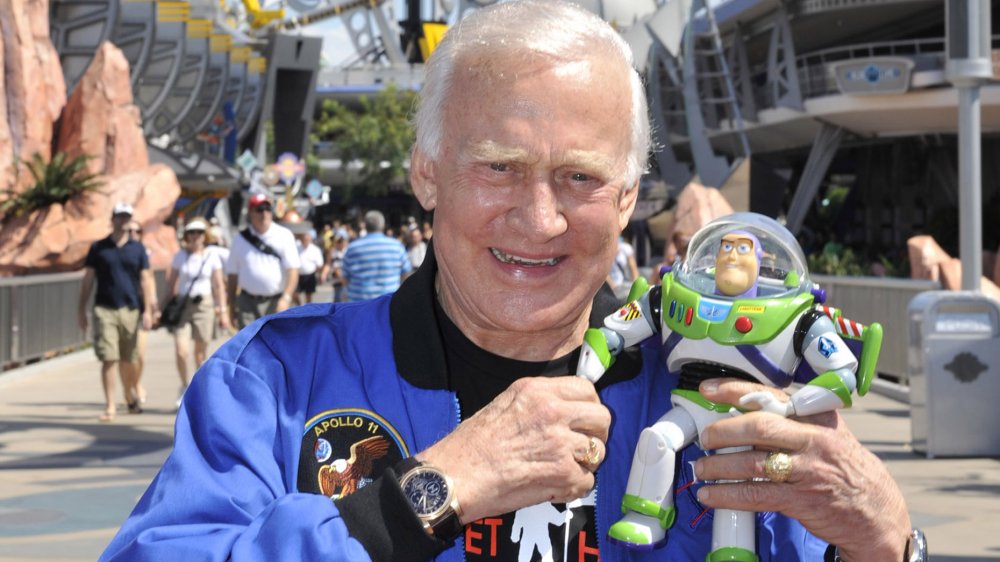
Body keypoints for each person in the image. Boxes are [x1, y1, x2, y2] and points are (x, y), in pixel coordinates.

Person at [101, 2, 918, 561]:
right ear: (427, 174)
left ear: (630, 197)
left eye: (580, 179)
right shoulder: (274, 380)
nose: (539, 218)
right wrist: (430, 491)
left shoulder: (726, 392)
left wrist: (885, 542)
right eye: (499, 167)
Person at [78, 202, 156, 422]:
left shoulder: (137, 249)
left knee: (130, 359)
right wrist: (81, 309)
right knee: (109, 358)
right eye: (119, 216)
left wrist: (148, 310)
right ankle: (110, 404)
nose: (123, 221)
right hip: (105, 308)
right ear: (112, 219)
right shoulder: (98, 248)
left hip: (131, 309)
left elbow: (146, 280)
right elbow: (88, 280)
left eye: (126, 217)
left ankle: (128, 393)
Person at [164, 217, 231, 408]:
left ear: (205, 235)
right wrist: (159, 308)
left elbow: (218, 285)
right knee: (181, 350)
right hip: (184, 306)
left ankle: (199, 391)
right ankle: (184, 385)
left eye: (199, 232)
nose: (195, 236)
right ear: (186, 236)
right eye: (191, 232)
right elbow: (171, 285)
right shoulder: (180, 256)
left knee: (200, 354)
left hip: (204, 305)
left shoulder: (212, 255)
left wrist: (223, 311)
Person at [225, 193, 300, 328]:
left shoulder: (284, 235)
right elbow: (232, 276)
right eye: (259, 210)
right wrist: (230, 306)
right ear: (251, 213)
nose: (264, 213)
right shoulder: (239, 239)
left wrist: (286, 298)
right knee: (249, 345)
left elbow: (293, 270)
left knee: (275, 344)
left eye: (267, 209)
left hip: (276, 301)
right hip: (247, 302)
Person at [341, 209, 411, 301]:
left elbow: (345, 278)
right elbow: (406, 274)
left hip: (359, 304)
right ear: (383, 225)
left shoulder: (353, 247)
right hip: (388, 304)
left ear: (365, 225)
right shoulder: (397, 246)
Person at [294, 228, 325, 304]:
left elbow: (320, 264)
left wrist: (320, 275)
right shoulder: (296, 247)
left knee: (309, 295)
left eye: (307, 239)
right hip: (298, 275)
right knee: (294, 293)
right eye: (304, 239)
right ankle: (299, 305)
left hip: (310, 275)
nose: (306, 241)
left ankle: (307, 309)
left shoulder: (315, 249)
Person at [607, 233, 639, 299]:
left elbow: (633, 269)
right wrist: (614, 289)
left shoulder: (626, 248)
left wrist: (635, 286)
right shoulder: (605, 253)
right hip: (614, 287)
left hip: (627, 284)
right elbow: (605, 276)